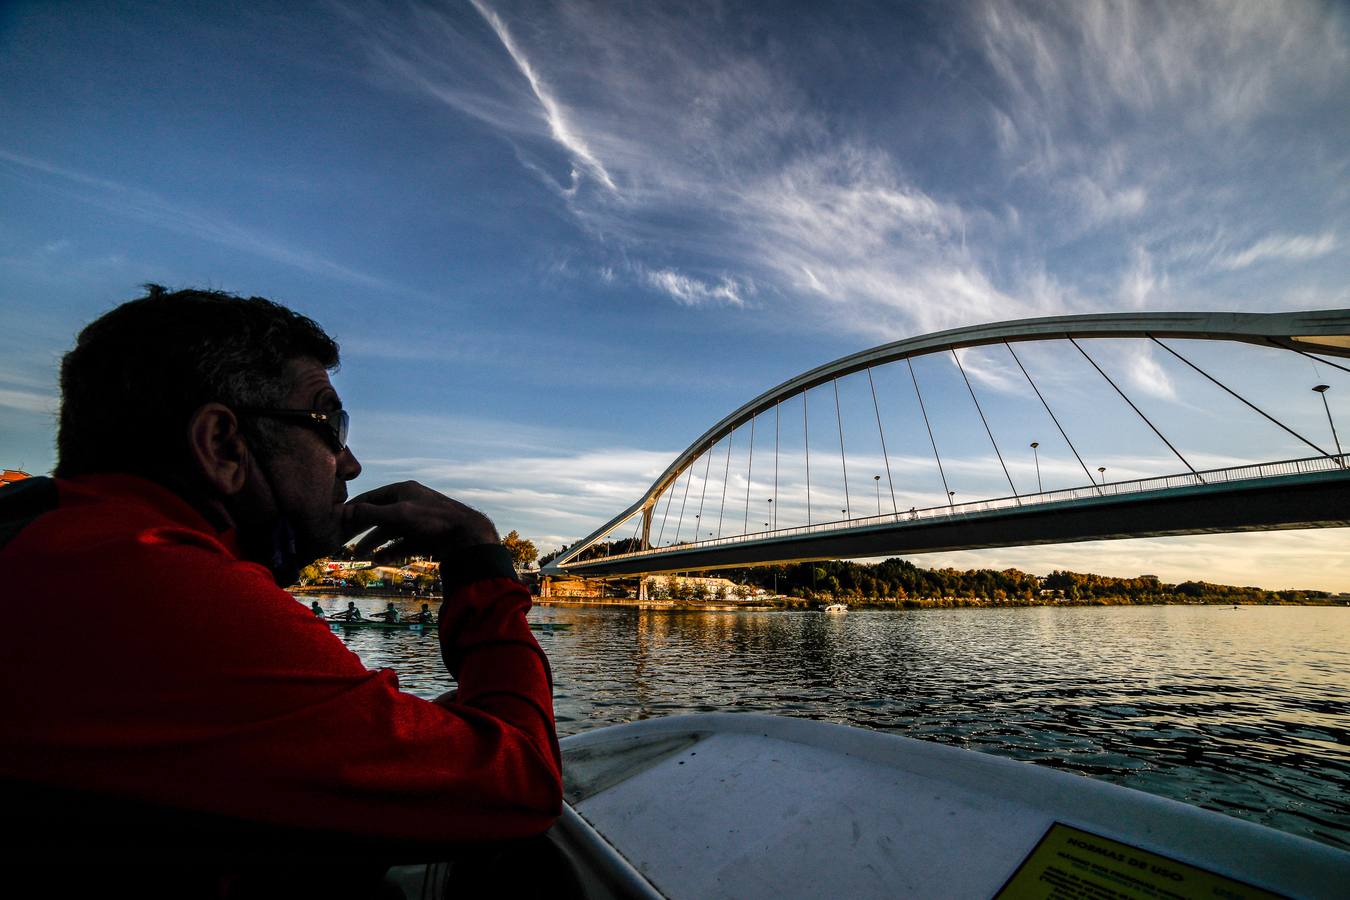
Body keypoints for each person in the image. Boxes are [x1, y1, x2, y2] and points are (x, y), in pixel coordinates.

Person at [0, 286, 562, 892]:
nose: (350, 464)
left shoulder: (50, 535)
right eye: (330, 424)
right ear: (222, 444)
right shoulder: (167, 592)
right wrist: (478, 554)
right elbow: (521, 785)